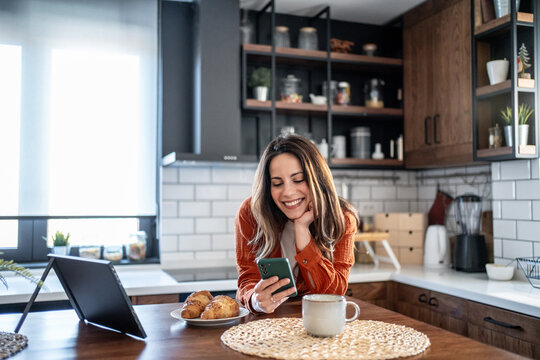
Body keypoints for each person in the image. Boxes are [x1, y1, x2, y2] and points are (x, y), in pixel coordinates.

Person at [235, 134, 358, 314]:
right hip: (269, 325)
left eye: (298, 180)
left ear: (317, 179)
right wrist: (255, 299)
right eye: (277, 183)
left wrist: (302, 230)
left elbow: (333, 294)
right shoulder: (252, 213)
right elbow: (247, 279)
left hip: (317, 320)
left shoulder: (342, 218)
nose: (288, 192)